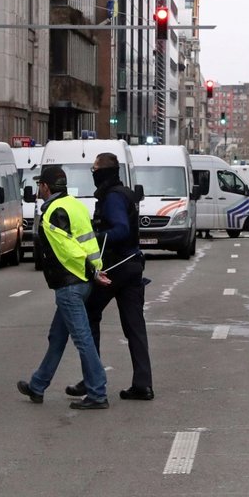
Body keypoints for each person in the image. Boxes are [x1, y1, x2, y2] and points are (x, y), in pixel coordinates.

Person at [17, 166, 112, 410]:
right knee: (57, 336)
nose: (38, 189)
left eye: (40, 185)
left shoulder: (52, 213)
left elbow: (67, 250)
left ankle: (98, 392)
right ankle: (38, 385)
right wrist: (94, 271)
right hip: (83, 282)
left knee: (82, 339)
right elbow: (89, 242)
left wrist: (90, 271)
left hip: (70, 284)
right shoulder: (75, 205)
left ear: (46, 187)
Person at [67, 152, 154, 401]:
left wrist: (95, 239)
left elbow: (121, 229)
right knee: (135, 327)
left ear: (103, 172)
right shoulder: (124, 193)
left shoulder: (113, 197)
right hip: (133, 267)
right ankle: (143, 384)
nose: (92, 173)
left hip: (115, 268)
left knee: (89, 314)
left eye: (94, 169)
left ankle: (91, 378)